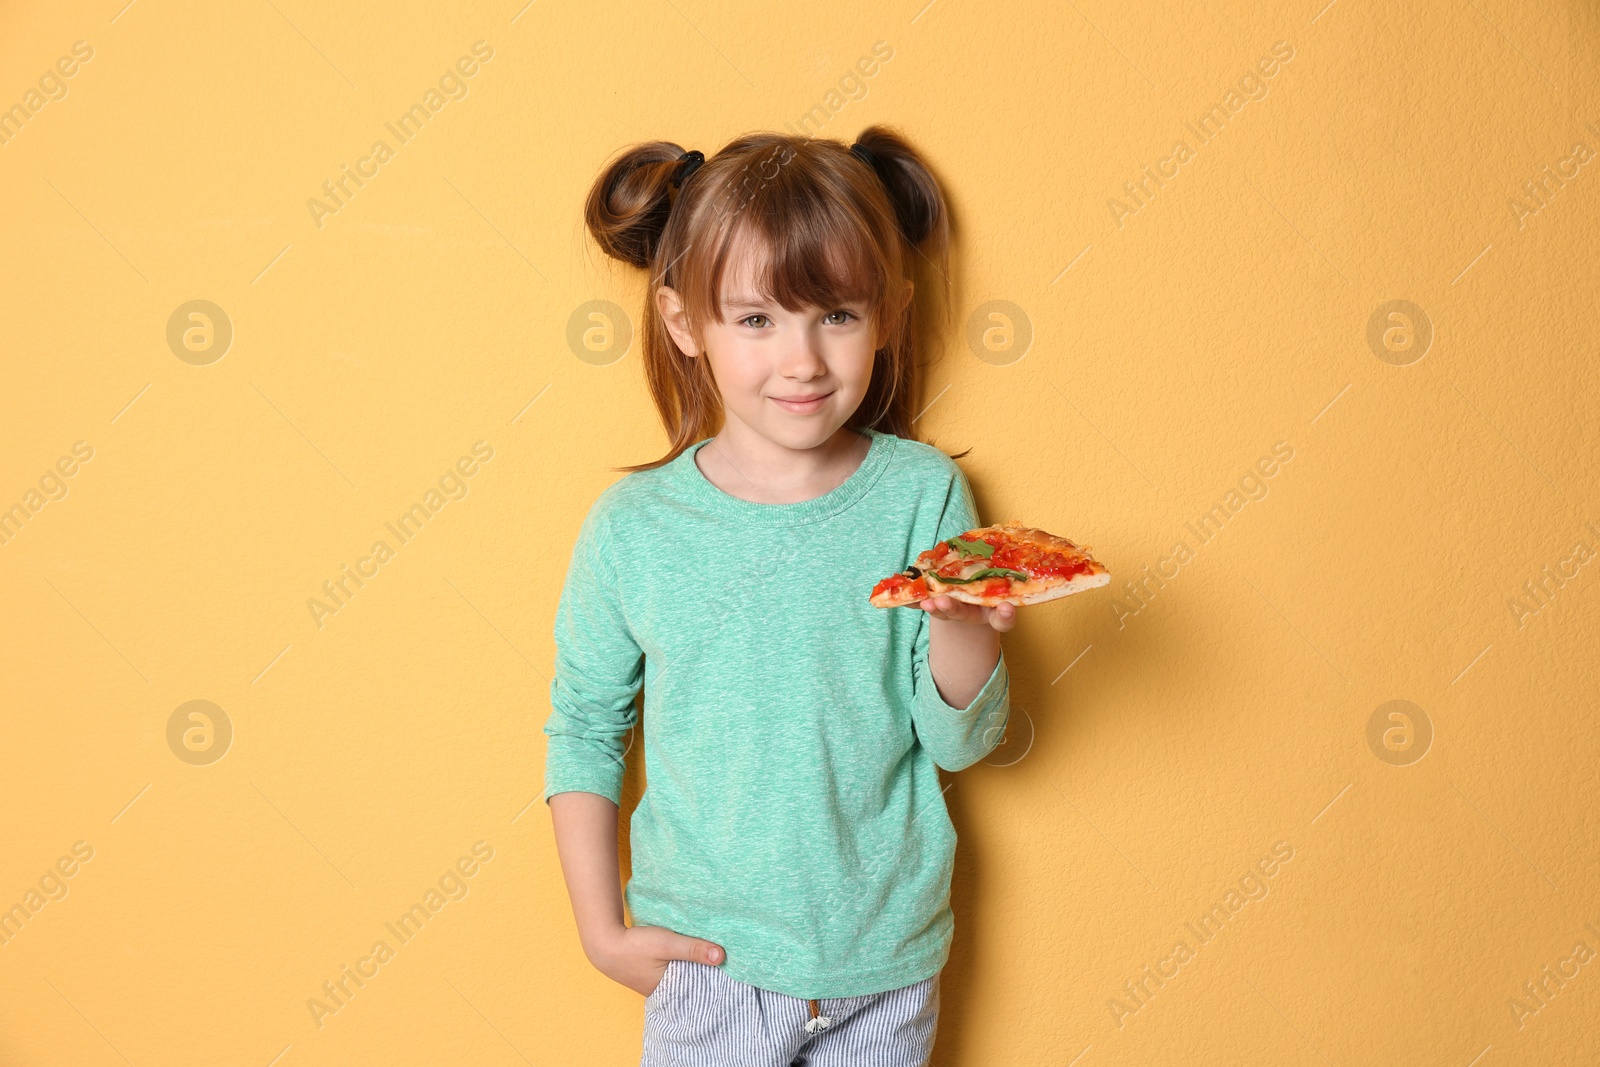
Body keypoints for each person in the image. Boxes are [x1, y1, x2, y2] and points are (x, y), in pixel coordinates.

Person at [544, 124, 1016, 1067]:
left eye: (836, 314)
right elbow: (585, 727)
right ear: (686, 323)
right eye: (756, 319)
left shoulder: (922, 494)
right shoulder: (635, 526)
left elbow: (965, 740)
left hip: (883, 968)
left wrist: (968, 633)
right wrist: (602, 930)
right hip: (708, 969)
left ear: (889, 313)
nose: (802, 359)